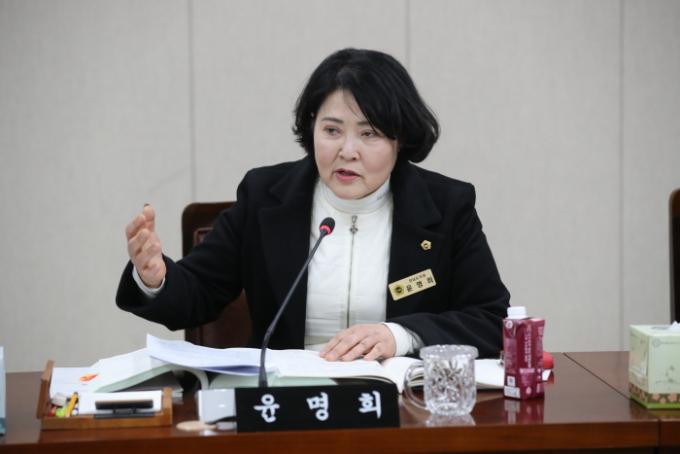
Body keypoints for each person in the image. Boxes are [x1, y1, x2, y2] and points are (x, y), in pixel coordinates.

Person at [116, 48, 510, 361]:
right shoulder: (265, 197)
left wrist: (401, 336)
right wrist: (155, 277)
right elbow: (199, 292)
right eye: (332, 130)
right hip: (287, 405)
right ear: (312, 128)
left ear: (399, 139)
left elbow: (490, 319)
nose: (347, 151)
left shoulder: (446, 207)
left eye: (369, 134)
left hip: (402, 408)